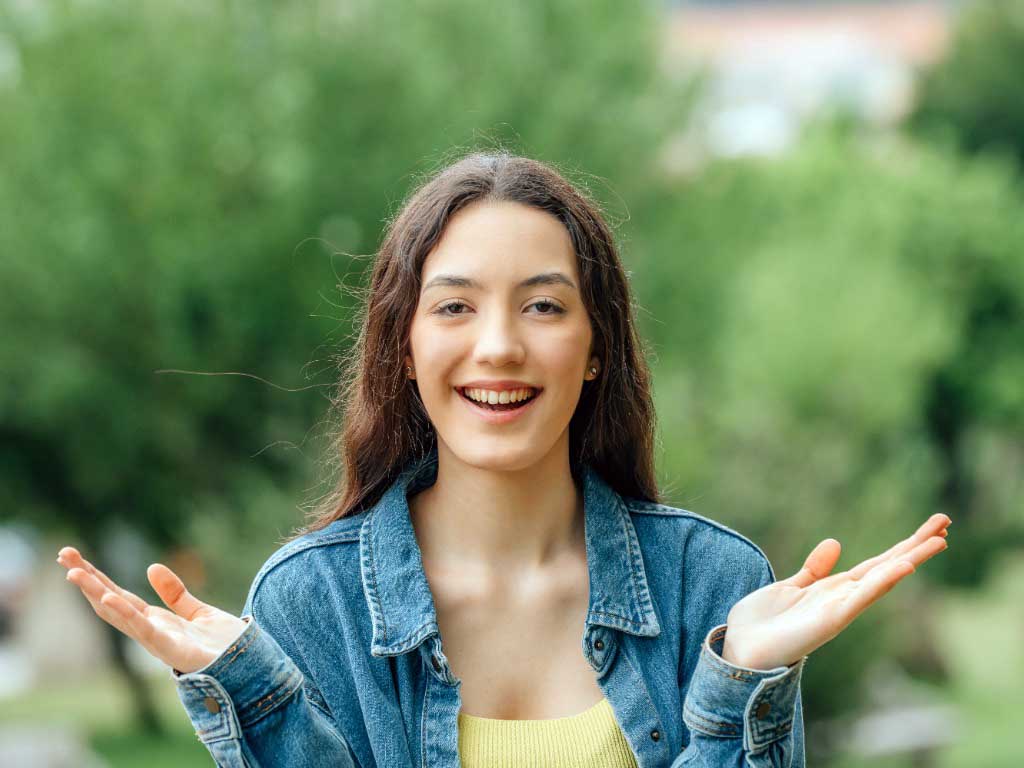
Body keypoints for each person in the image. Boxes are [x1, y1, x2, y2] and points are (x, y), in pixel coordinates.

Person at [57, 152, 950, 768]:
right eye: (453, 308)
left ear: (597, 347)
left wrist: (742, 686)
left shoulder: (713, 584)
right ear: (402, 348)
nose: (499, 348)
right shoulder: (307, 602)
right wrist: (259, 703)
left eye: (544, 308)